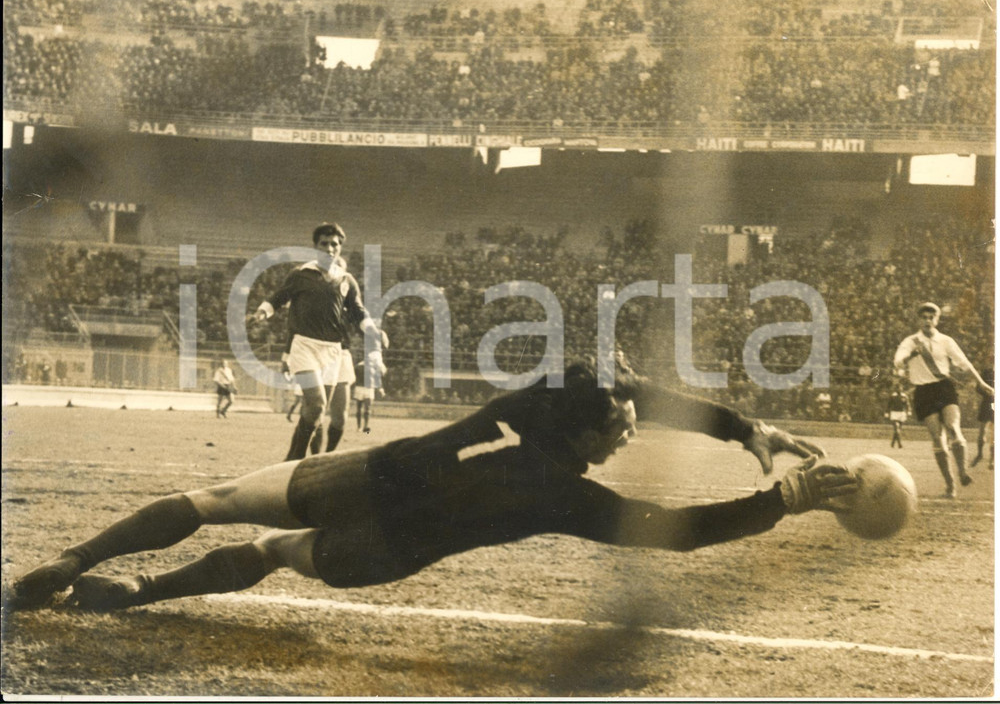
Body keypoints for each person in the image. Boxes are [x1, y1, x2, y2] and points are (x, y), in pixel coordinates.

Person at [6, 358, 858, 613]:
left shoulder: (526, 406)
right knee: (264, 551)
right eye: (624, 422)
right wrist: (783, 496)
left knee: (212, 502)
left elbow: (632, 395)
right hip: (384, 546)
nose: (635, 424)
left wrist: (746, 429)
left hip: (367, 474)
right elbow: (673, 530)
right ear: (593, 433)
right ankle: (136, 593)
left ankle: (78, 558)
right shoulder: (565, 493)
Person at [253, 223, 388, 461]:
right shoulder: (301, 274)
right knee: (316, 404)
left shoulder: (346, 280)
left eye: (334, 244)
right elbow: (279, 297)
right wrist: (262, 313)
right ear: (315, 247)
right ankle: (296, 458)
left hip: (333, 352)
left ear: (340, 248)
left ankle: (291, 460)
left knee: (315, 412)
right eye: (324, 244)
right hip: (304, 347)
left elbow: (358, 312)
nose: (329, 248)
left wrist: (373, 330)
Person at [893, 302, 994, 498]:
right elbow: (898, 360)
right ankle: (950, 486)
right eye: (924, 317)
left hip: (944, 388)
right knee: (938, 438)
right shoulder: (911, 341)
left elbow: (964, 363)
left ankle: (963, 473)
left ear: (937, 320)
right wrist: (911, 354)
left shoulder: (946, 341)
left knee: (954, 429)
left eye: (931, 317)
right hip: (923, 391)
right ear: (919, 320)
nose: (927, 320)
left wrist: (981, 383)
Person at [354, 350, 388, 434]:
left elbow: (377, 378)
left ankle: (366, 426)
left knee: (367, 408)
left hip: (369, 389)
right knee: (359, 408)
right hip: (359, 388)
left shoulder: (373, 368)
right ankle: (359, 426)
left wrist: (380, 388)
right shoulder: (359, 367)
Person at [971, 360, 994, 470]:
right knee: (982, 430)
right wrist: (986, 392)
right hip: (987, 402)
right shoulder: (986, 372)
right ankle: (980, 454)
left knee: (995, 432)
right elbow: (978, 387)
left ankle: (992, 460)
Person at [885, 381, 911, 449]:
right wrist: (887, 412)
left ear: (902, 388)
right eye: (897, 388)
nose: (899, 389)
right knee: (896, 427)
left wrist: (909, 411)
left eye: (900, 388)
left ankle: (893, 443)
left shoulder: (904, 396)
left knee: (898, 429)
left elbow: (907, 404)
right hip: (894, 413)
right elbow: (889, 404)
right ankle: (900, 444)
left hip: (902, 413)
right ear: (896, 389)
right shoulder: (893, 396)